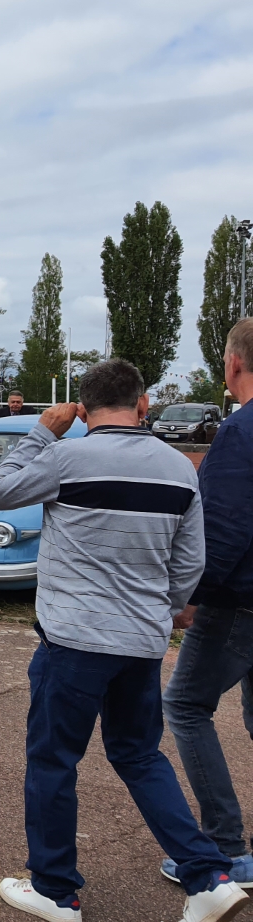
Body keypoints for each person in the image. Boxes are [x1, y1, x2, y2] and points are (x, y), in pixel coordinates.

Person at [0, 358, 247, 922]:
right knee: (139, 754)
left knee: (53, 761)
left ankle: (56, 891)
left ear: (83, 410)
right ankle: (207, 876)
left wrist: (42, 432)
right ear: (143, 404)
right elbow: (190, 560)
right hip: (141, 642)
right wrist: (165, 609)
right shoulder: (178, 468)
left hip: (73, 641)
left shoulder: (66, 458)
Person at [162, 319, 253, 888]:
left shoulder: (240, 431)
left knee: (186, 706)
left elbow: (222, 527)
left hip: (238, 601)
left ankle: (225, 847)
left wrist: (190, 596)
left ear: (234, 363)